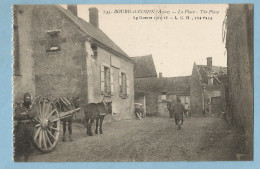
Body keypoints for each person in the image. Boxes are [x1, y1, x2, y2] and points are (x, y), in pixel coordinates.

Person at [14, 92, 35, 162]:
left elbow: (33, 114)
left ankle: (26, 159)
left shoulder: (32, 107)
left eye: (28, 99)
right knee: (19, 142)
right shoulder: (20, 106)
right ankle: (19, 158)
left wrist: (24, 114)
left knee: (28, 142)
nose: (27, 100)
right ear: (24, 99)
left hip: (29, 127)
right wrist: (27, 114)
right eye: (26, 99)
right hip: (21, 127)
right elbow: (17, 115)